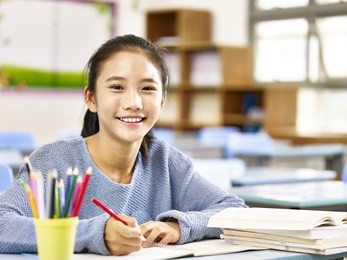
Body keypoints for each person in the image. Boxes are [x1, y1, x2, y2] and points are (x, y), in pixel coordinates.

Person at [0, 34, 247, 256]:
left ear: (162, 102)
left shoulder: (167, 162)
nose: (134, 102)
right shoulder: (53, 163)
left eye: (148, 88)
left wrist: (178, 226)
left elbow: (235, 210)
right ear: (91, 98)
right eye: (117, 87)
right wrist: (96, 233)